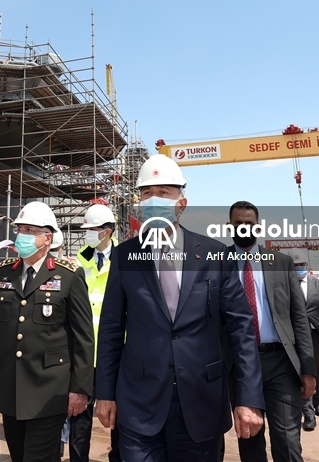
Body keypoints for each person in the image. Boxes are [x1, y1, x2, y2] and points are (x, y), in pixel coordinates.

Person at [96, 154, 265, 462]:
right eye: (147, 193)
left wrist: (249, 398)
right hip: (139, 404)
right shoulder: (124, 256)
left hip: (202, 404)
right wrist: (105, 392)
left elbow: (240, 329)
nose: (154, 200)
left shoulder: (215, 255)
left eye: (164, 193)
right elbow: (111, 329)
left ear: (181, 203)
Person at [0, 201, 94, 462]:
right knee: (19, 455)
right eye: (20, 229)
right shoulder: (2, 273)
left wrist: (80, 389)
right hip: (10, 388)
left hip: (50, 390)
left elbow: (83, 337)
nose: (21, 236)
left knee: (37, 457)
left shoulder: (69, 276)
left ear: (48, 238)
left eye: (30, 231)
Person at [222, 201, 316, 462]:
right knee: (249, 440)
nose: (244, 228)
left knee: (287, 441)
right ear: (229, 227)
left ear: (258, 227)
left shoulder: (280, 263)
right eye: (238, 224)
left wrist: (308, 369)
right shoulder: (218, 263)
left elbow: (299, 318)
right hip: (238, 365)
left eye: (249, 224)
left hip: (280, 362)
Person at [62, 203, 121, 462]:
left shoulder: (125, 259)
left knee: (119, 417)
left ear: (107, 231)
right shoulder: (78, 261)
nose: (87, 234)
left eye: (92, 229)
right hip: (83, 353)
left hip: (115, 352)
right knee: (79, 414)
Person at [291, 251, 319, 432]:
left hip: (316, 334)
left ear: (307, 266)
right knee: (304, 371)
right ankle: (308, 412)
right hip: (295, 336)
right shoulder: (285, 284)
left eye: (301, 265)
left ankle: (318, 402)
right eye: (295, 266)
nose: (298, 268)